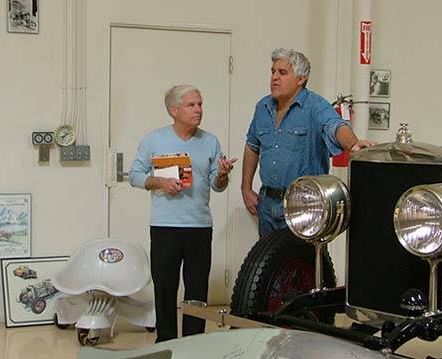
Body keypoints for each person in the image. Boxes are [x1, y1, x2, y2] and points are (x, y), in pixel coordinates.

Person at [129, 84, 237, 342]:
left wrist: (222, 175)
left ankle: (193, 343)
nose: (198, 110)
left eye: (200, 104)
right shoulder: (154, 140)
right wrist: (160, 183)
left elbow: (217, 186)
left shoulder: (210, 141)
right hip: (165, 226)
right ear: (173, 110)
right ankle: (165, 341)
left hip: (200, 227)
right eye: (191, 105)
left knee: (197, 292)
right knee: (165, 289)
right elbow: (134, 175)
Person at [241, 48, 375, 238]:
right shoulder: (262, 107)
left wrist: (352, 144)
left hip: (305, 206)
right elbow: (252, 145)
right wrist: (245, 188)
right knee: (267, 266)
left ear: (301, 79)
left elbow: (335, 126)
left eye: (282, 72)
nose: (274, 78)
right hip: (268, 205)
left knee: (304, 264)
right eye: (273, 72)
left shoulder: (316, 106)